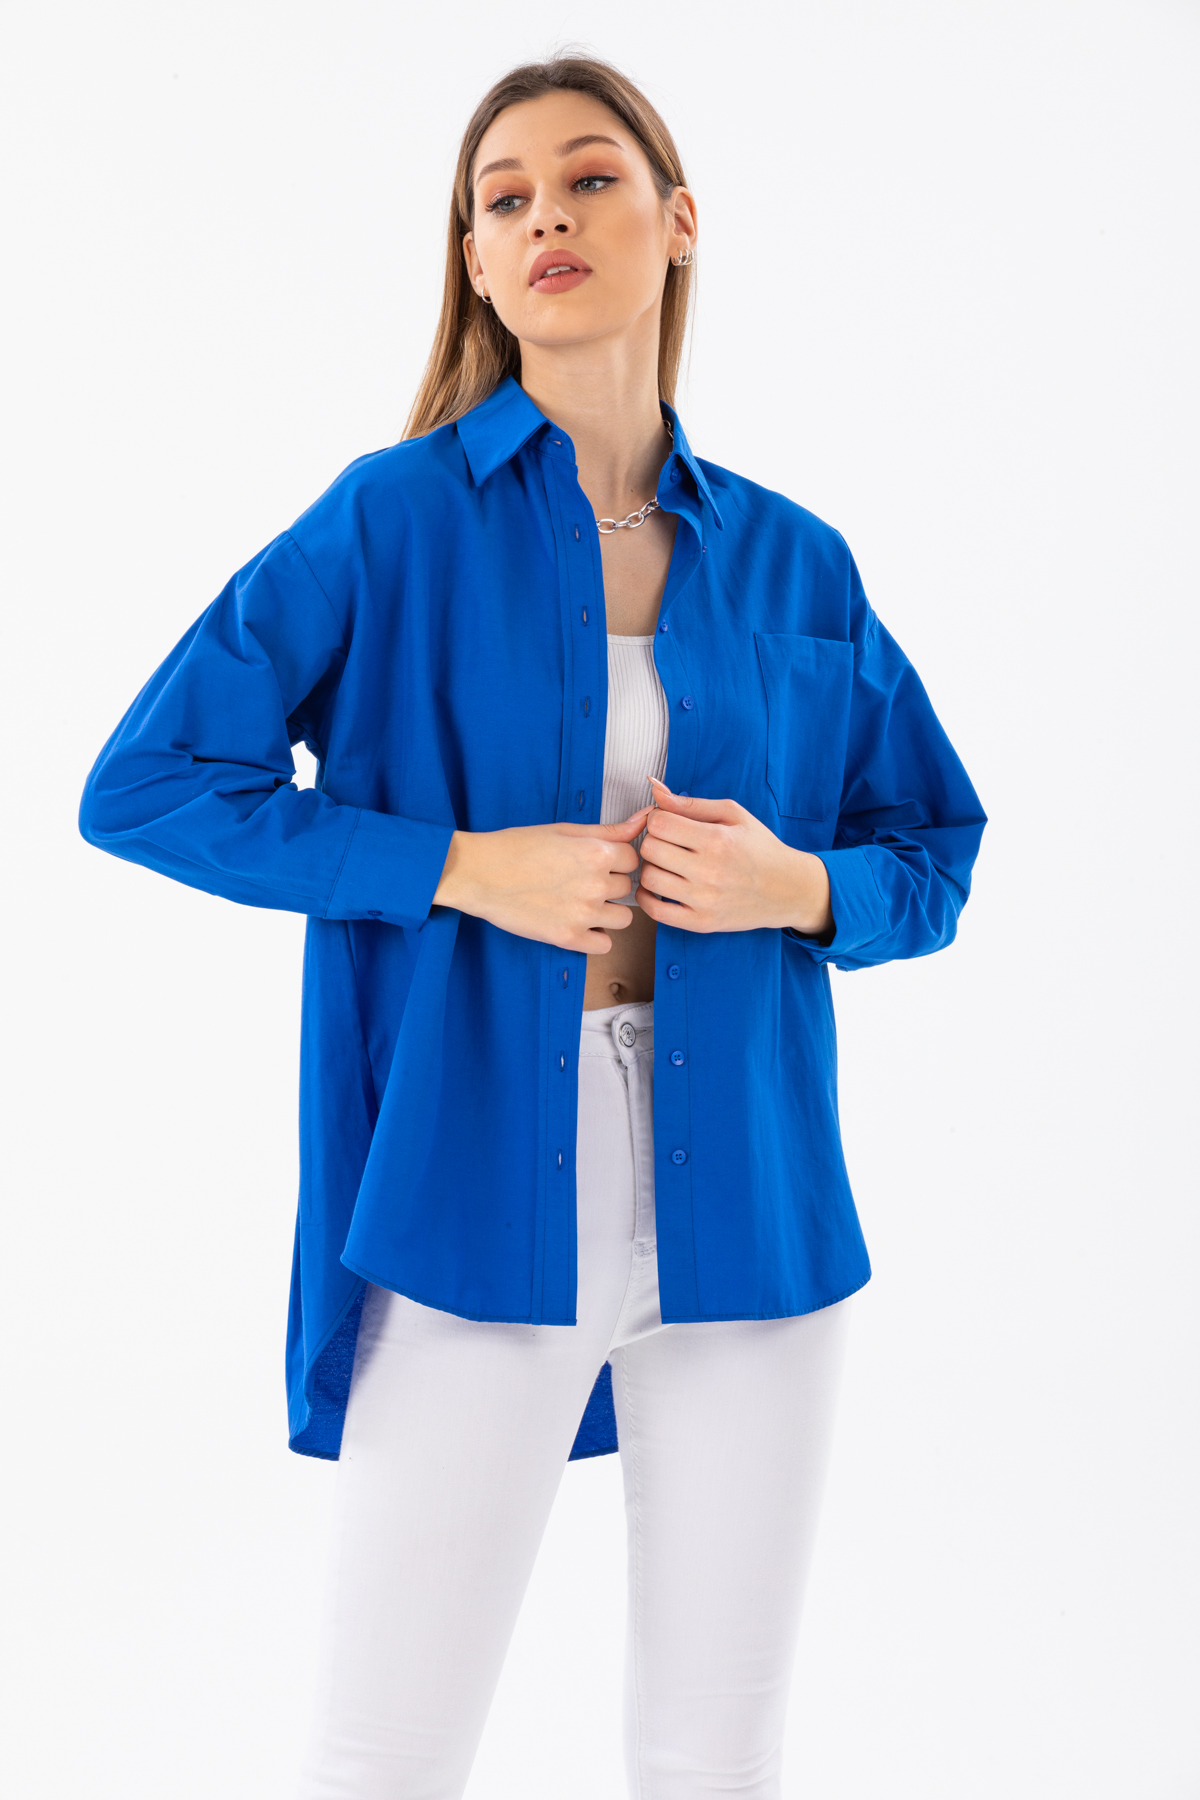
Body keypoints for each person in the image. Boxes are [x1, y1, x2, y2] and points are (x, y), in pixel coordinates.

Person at [79, 52, 986, 1800]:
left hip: (757, 1204)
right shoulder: (392, 519)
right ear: (478, 265)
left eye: (588, 178)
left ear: (679, 221)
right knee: (387, 1751)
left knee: (717, 1747)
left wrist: (798, 889)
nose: (545, 216)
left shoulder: (796, 561)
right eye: (504, 199)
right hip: (479, 1179)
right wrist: (458, 866)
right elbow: (151, 783)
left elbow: (930, 848)